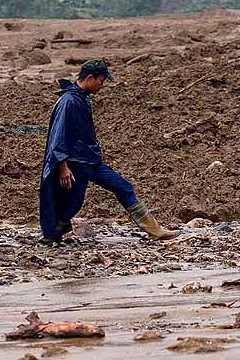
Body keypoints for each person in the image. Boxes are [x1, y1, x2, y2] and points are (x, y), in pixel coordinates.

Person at [39, 60, 178, 245]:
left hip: (91, 161)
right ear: (90, 78)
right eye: (101, 81)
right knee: (72, 203)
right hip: (76, 163)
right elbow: (59, 135)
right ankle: (51, 236)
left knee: (123, 186)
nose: (102, 85)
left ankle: (155, 231)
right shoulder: (69, 101)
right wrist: (62, 166)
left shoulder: (80, 98)